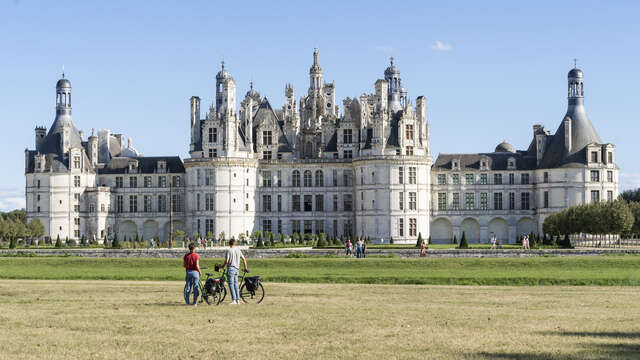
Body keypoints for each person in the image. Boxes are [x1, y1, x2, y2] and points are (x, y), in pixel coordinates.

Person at [220, 238, 248, 305]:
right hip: (236, 269)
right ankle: (238, 300)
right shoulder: (238, 250)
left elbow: (227, 261)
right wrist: (245, 267)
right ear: (234, 243)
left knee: (231, 285)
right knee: (236, 285)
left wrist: (222, 266)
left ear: (229, 243)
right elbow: (244, 259)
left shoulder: (229, 250)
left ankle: (234, 300)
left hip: (231, 268)